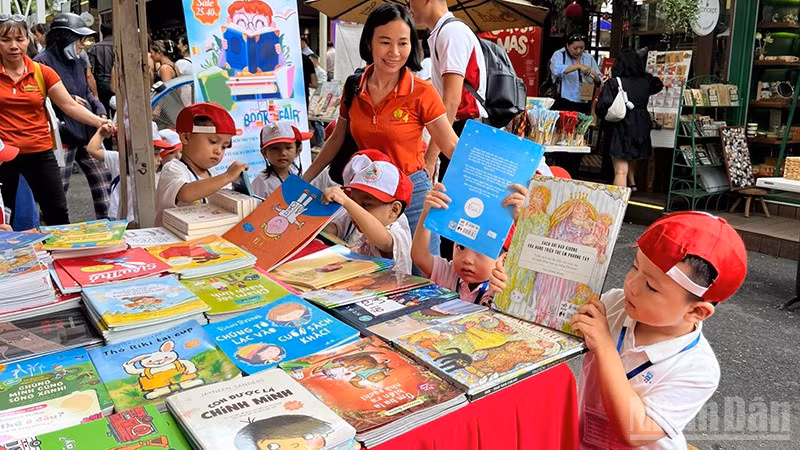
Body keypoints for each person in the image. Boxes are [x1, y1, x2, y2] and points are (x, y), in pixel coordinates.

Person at [569, 212, 746, 449]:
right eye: (634, 267)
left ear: (696, 311)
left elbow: (636, 431)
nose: (631, 285)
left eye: (651, 286)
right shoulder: (613, 305)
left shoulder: (698, 369)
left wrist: (604, 346)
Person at [302, 3, 459, 266]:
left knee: (421, 271)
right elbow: (336, 139)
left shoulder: (422, 92)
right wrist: (304, 180)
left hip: (413, 195)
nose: (394, 52)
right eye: (385, 42)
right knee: (373, 270)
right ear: (369, 43)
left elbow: (451, 145)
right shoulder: (354, 87)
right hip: (368, 197)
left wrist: (499, 179)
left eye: (403, 43)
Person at [0, 15, 111, 226]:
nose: (13, 46)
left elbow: (69, 105)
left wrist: (99, 122)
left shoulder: (41, 72)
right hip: (4, 155)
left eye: (19, 39)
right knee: (5, 212)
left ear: (28, 40)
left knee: (57, 210)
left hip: (40, 152)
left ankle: (57, 247)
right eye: (5, 40)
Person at [35, 12, 112, 221]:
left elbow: (87, 92)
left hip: (88, 132)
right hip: (61, 137)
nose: (82, 45)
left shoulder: (78, 60)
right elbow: (39, 101)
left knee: (105, 185)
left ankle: (109, 228)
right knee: (56, 195)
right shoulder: (41, 63)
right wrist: (64, 99)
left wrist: (99, 109)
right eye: (79, 39)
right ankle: (52, 235)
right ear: (64, 38)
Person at [409, 0, 487, 178]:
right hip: (457, 128)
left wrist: (430, 158)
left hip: (460, 130)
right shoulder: (444, 32)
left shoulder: (451, 32)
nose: (409, 7)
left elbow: (451, 101)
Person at [412, 182, 524, 305]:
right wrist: (427, 213)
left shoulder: (501, 288)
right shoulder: (448, 273)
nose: (467, 259)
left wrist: (523, 220)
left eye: (480, 250)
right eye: (461, 247)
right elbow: (419, 256)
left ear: (503, 259)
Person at [155, 102, 248, 226]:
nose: (218, 151)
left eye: (224, 147)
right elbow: (185, 193)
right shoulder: (173, 169)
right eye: (213, 141)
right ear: (186, 138)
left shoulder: (214, 176)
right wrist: (227, 176)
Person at [323, 150, 414, 274]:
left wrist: (348, 202)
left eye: (365, 204)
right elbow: (334, 229)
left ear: (394, 209)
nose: (356, 209)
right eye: (354, 201)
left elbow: (383, 241)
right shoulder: (353, 219)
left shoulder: (397, 230)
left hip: (386, 286)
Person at [596, 49, 663, 190]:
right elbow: (658, 84)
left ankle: (619, 201)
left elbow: (601, 107)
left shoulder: (614, 83)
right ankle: (632, 185)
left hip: (621, 127)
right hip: (642, 126)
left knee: (620, 171)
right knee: (632, 156)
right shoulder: (646, 82)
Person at [87, 122, 175, 221]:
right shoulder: (119, 159)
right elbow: (92, 150)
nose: (160, 159)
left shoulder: (156, 174)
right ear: (136, 151)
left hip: (144, 217)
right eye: (155, 154)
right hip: (119, 217)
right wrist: (101, 133)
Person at [549, 33, 602, 176]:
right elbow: (556, 70)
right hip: (564, 101)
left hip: (582, 103)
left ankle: (574, 170)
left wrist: (593, 75)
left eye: (581, 48)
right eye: (575, 48)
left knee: (579, 137)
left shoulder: (588, 58)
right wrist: (578, 66)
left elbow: (599, 80)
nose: (578, 51)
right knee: (562, 137)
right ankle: (560, 170)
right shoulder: (559, 55)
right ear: (568, 46)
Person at [252, 121, 310, 199]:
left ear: (297, 150)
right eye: (275, 148)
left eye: (288, 148)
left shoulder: (298, 175)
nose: (282, 153)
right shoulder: (261, 182)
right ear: (264, 153)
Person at [87, 22, 114, 114]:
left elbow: (90, 69)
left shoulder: (94, 47)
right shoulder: (120, 46)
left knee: (103, 109)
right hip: (118, 83)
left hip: (101, 83)